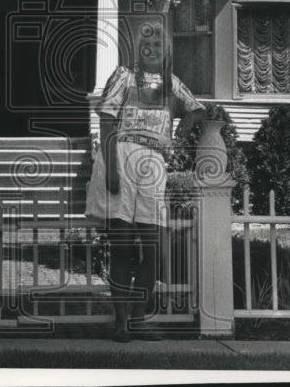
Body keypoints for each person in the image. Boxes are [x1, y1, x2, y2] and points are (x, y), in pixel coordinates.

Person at [86, 19, 205, 342]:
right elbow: (108, 124)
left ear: (167, 50)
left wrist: (187, 123)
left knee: (153, 250)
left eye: (157, 45)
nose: (151, 50)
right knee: (122, 247)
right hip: (121, 157)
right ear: (138, 50)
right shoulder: (124, 77)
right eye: (145, 45)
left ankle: (139, 318)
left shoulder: (173, 83)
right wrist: (110, 168)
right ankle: (122, 322)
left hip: (154, 163)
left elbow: (197, 110)